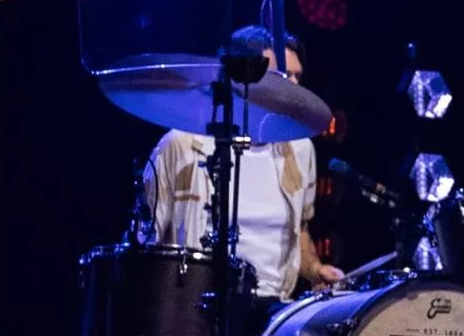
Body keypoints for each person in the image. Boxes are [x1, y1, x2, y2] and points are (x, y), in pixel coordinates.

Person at [135, 29, 343, 297]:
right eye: (281, 75)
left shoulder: (300, 150)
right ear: (242, 76)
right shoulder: (180, 145)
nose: (292, 85)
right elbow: (146, 246)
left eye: (296, 76)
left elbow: (299, 231)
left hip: (273, 312)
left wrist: (315, 269)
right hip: (197, 307)